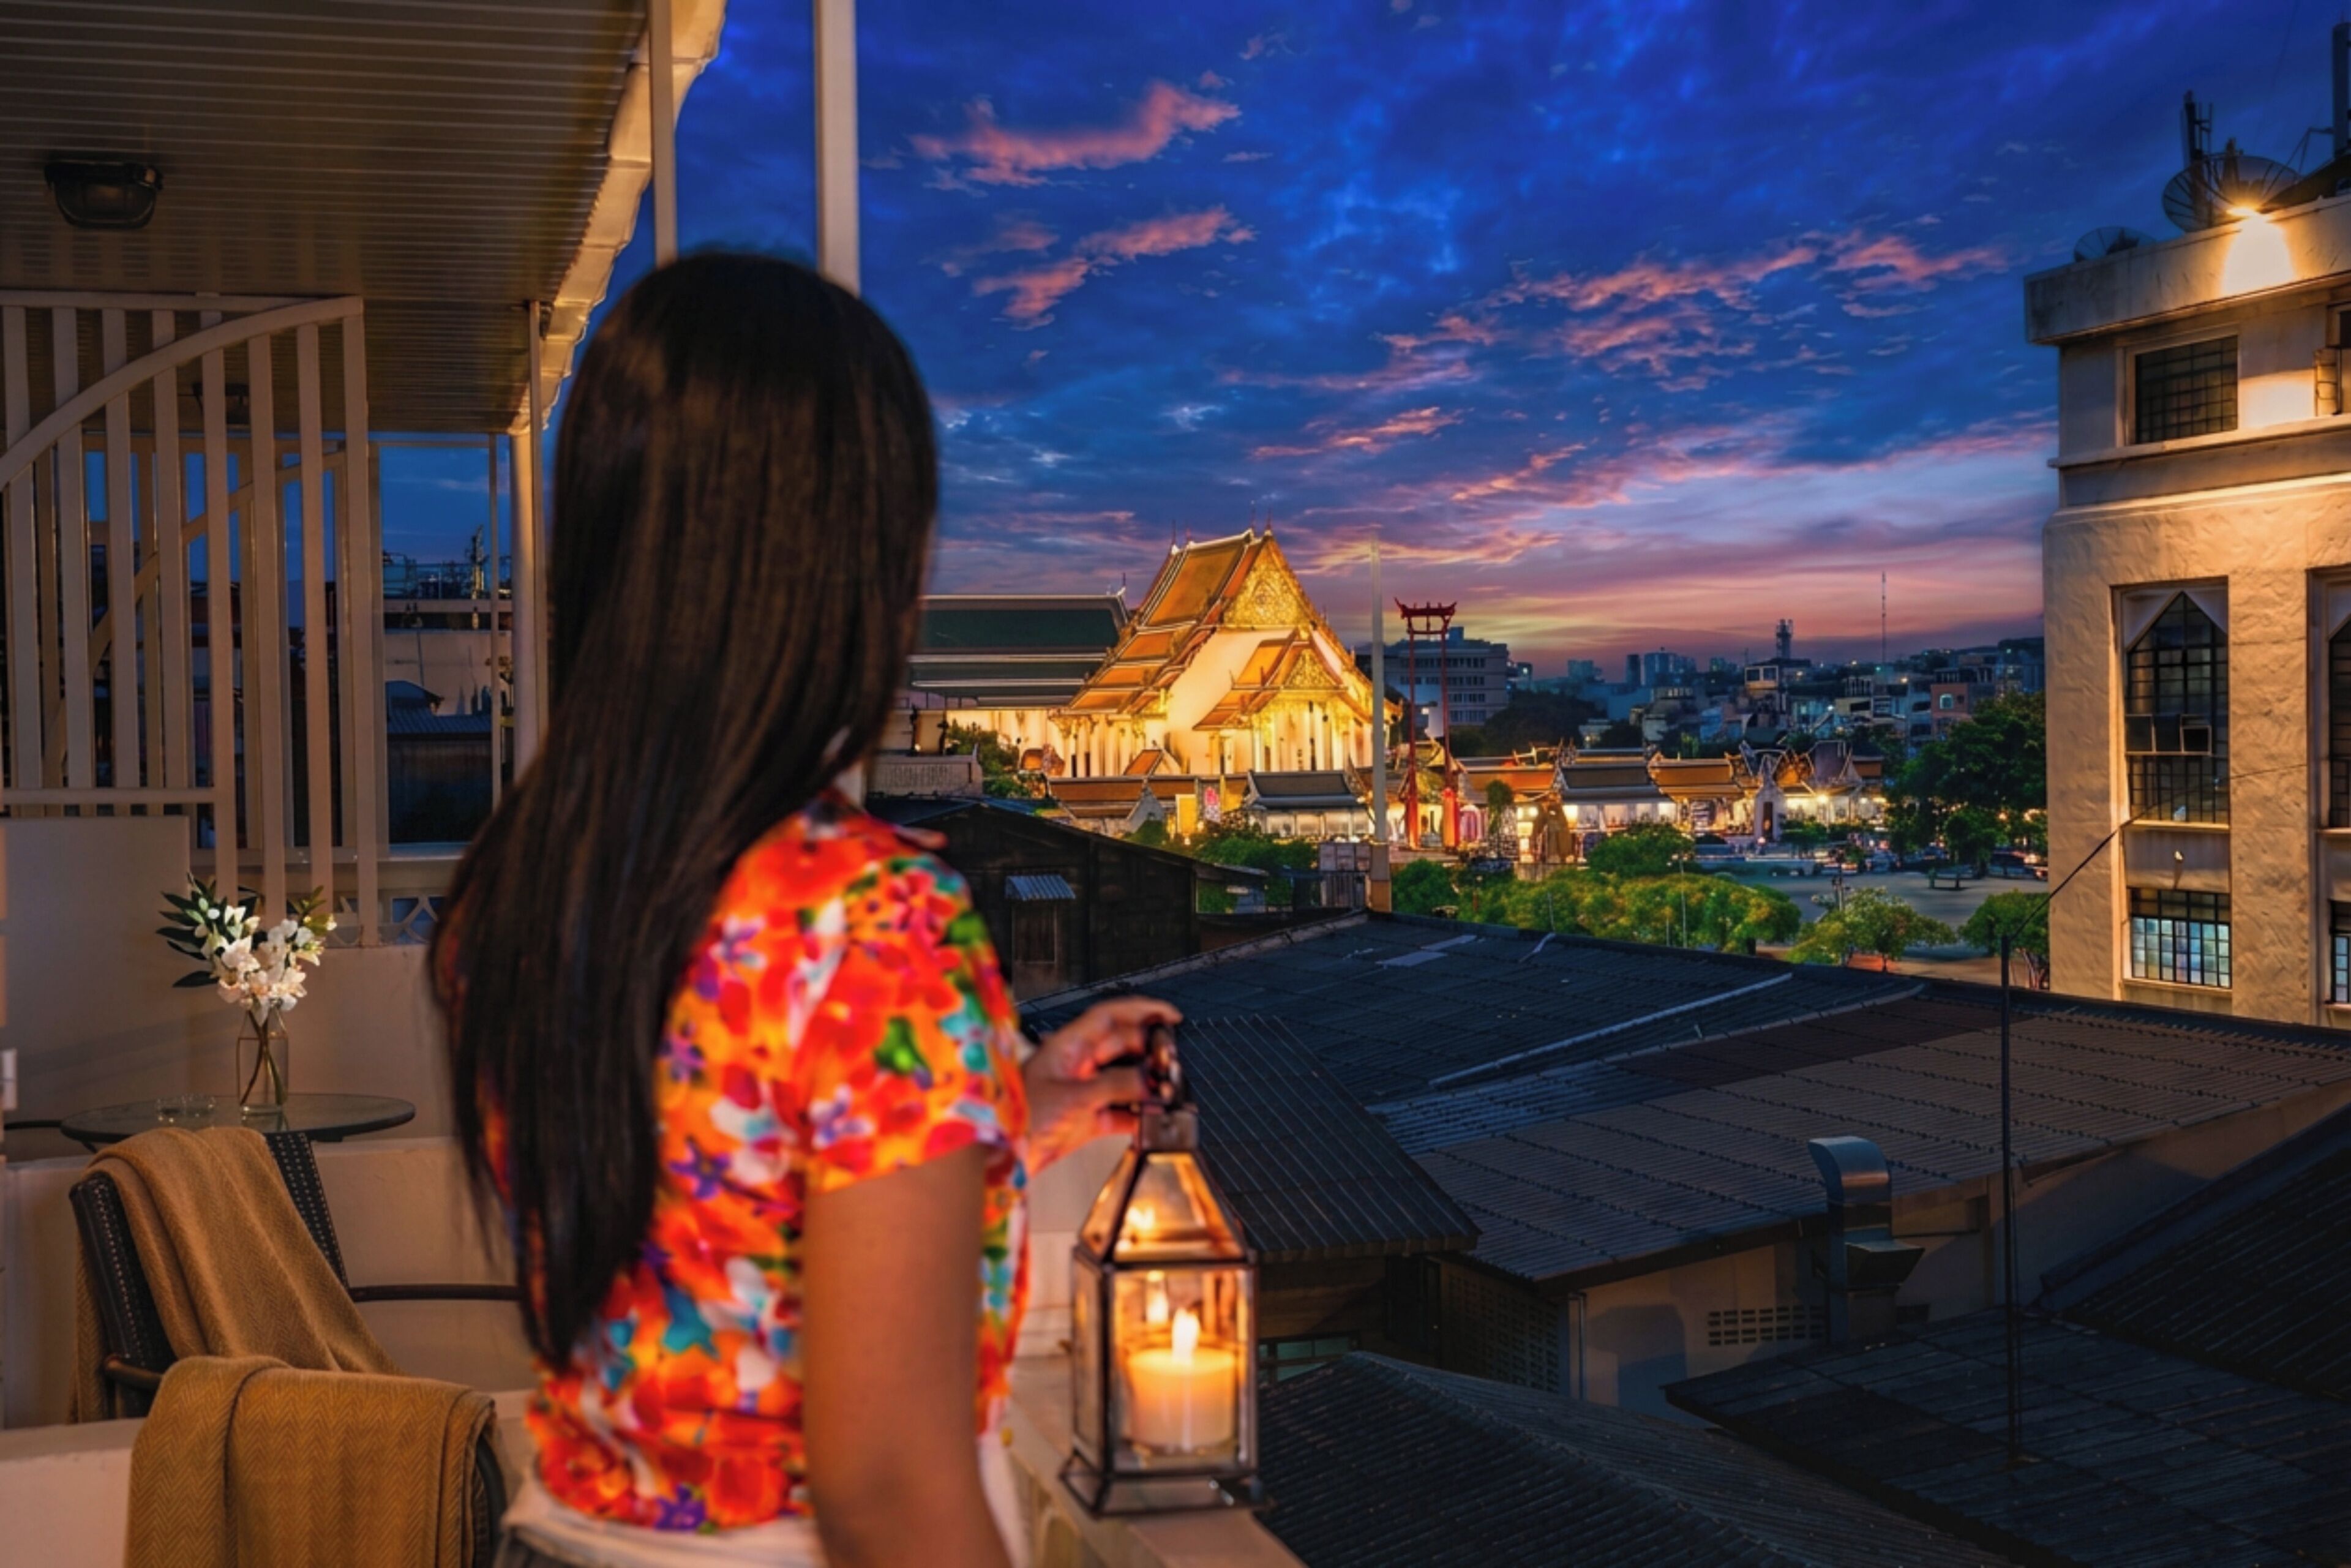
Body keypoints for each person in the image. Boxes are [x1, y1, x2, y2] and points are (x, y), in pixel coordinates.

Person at [432, 254, 1177, 1568]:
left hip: (558, 1534)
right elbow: (886, 1485)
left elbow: (708, 1196)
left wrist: (994, 1112)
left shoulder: (530, 874)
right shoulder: (874, 921)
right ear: (840, 567)